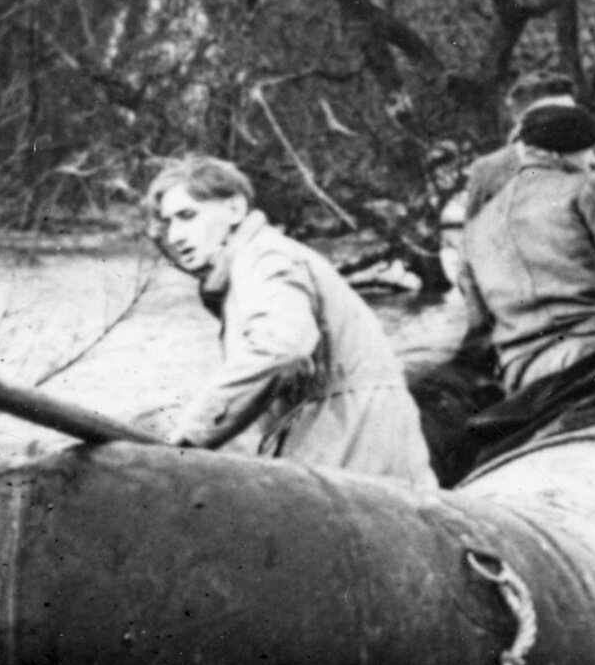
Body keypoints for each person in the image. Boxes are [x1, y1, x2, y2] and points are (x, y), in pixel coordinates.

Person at [144, 156, 436, 487]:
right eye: (169, 224)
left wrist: (189, 435)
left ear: (235, 209)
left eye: (188, 216)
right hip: (349, 427)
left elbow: (282, 347)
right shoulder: (252, 262)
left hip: (353, 434)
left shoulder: (265, 258)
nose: (177, 236)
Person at [449, 92, 595, 391]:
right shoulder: (587, 187)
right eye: (585, 152)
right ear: (559, 154)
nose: (593, 160)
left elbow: (479, 326)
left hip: (525, 373)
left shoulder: (474, 228)